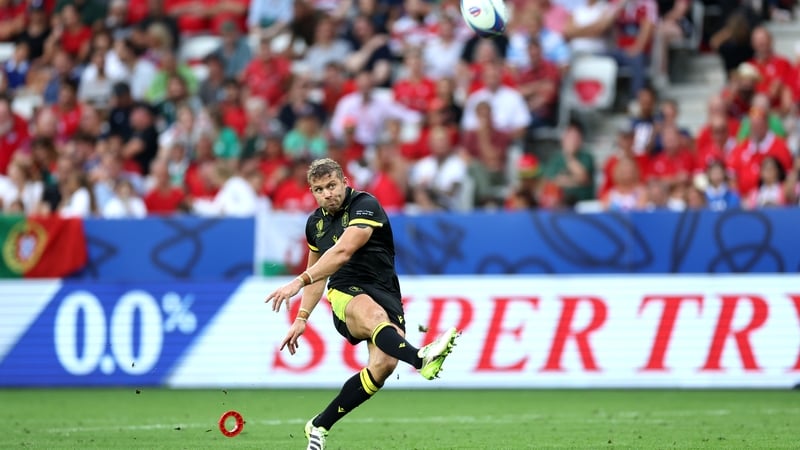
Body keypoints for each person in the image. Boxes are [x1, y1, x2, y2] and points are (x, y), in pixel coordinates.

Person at [265, 158, 459, 450]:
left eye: (331, 185)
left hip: (385, 289)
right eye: (319, 189)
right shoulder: (314, 224)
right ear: (313, 192)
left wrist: (298, 281)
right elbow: (320, 274)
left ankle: (318, 425)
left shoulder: (365, 205)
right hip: (345, 290)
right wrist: (302, 317)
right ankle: (422, 359)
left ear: (344, 182)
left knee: (383, 365)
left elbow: (343, 250)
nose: (327, 194)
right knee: (373, 314)